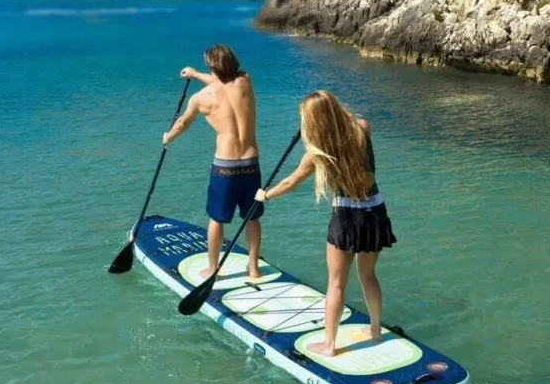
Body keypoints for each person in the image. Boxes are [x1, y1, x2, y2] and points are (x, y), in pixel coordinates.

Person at [254, 90, 396, 357]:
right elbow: (352, 138)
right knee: (368, 275)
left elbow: (290, 182)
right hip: (375, 210)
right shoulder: (363, 128)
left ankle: (329, 345)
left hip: (346, 216)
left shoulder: (317, 153)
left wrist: (266, 194)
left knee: (336, 283)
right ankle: (375, 329)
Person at [162, 44, 263, 280]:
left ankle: (213, 269)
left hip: (225, 166)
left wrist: (169, 137)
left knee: (217, 219)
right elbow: (222, 82)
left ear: (210, 66)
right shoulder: (244, 81)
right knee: (252, 217)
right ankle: (254, 268)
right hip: (251, 162)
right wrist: (197, 74)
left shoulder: (201, 99)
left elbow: (183, 124)